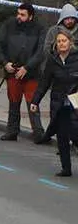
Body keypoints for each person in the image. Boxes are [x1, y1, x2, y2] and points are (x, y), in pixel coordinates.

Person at [0, 3, 45, 142]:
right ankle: (12, 130)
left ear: (30, 16)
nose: (19, 17)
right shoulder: (9, 25)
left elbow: (40, 52)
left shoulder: (39, 29)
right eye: (18, 13)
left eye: (23, 15)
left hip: (31, 73)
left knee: (32, 103)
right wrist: (4, 63)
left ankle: (38, 132)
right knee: (14, 102)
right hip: (13, 70)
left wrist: (27, 67)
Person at [31, 30, 78, 177]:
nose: (61, 44)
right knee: (62, 136)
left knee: (76, 135)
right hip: (58, 104)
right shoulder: (53, 60)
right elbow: (44, 82)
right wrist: (35, 101)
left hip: (75, 104)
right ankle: (66, 168)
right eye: (59, 41)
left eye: (64, 41)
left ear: (70, 42)